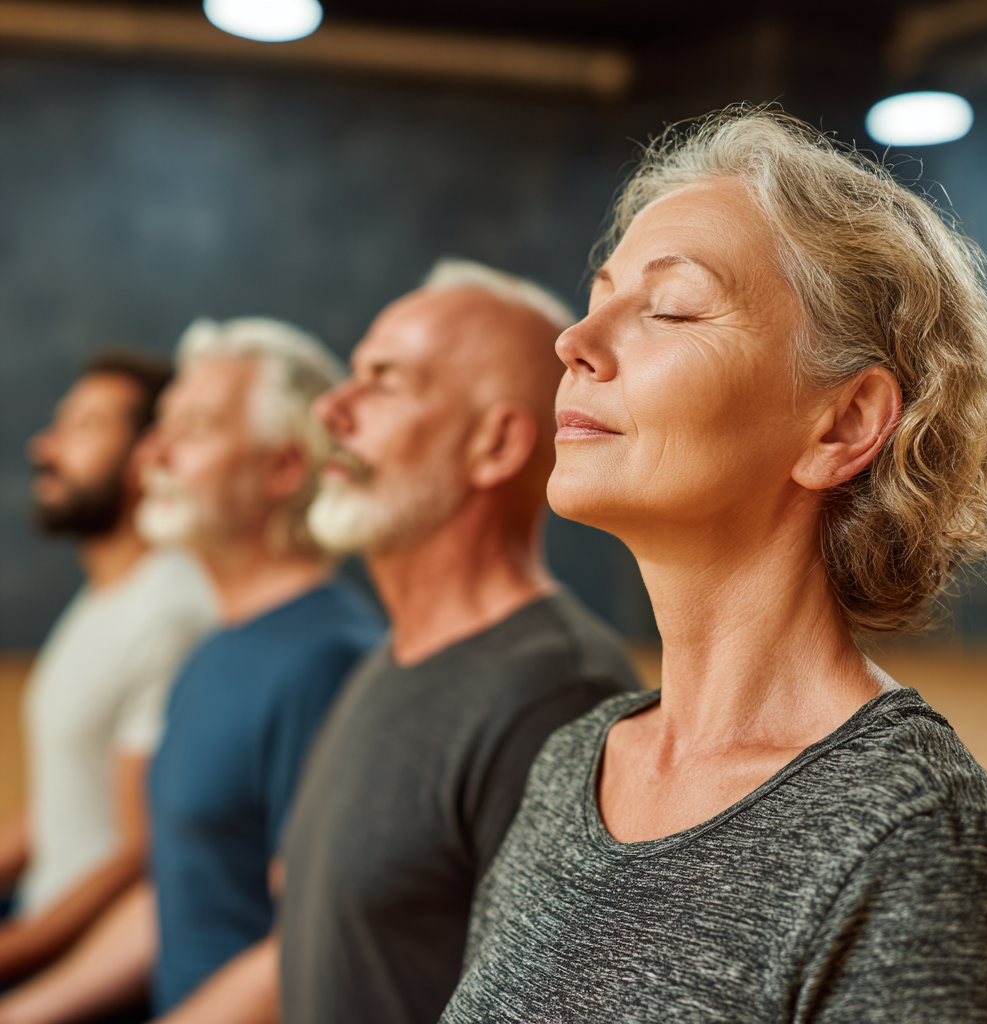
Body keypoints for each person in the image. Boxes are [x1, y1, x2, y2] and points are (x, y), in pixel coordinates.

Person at [439, 107, 987, 1024]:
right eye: (598, 300)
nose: (573, 343)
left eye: (669, 308)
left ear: (843, 426)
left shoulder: (917, 843)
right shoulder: (570, 768)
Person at [275, 259, 640, 1024]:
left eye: (384, 380)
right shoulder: (388, 659)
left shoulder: (558, 696)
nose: (333, 411)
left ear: (495, 444)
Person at [0, 318, 383, 1024]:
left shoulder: (329, 658)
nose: (154, 453)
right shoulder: (215, 647)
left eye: (196, 428)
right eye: (160, 425)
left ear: (283, 468)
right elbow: (169, 895)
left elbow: (305, 946)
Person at [0, 351, 216, 984]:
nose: (46, 447)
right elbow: (65, 799)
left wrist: (14, 949)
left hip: (87, 965)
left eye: (85, 427)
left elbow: (140, 852)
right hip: (37, 915)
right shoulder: (101, 598)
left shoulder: (173, 611)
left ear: (149, 455)